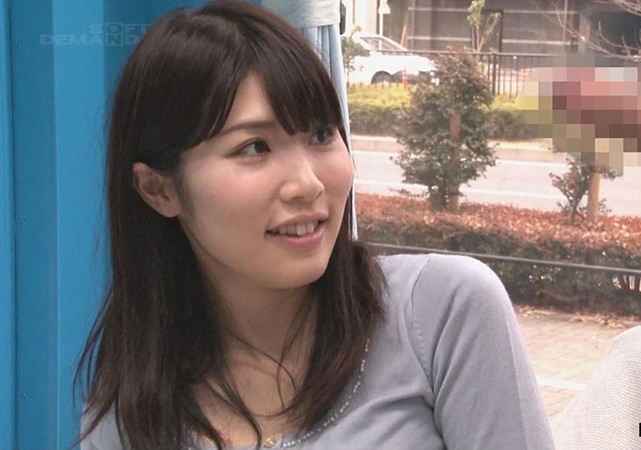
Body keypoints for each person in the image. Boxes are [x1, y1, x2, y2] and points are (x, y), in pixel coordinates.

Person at [74, 2, 554, 449]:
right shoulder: (129, 417)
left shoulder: (443, 314)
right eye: (254, 147)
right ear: (160, 190)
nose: (307, 183)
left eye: (322, 135)